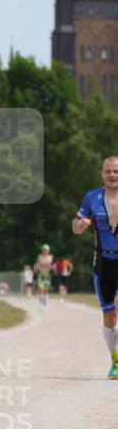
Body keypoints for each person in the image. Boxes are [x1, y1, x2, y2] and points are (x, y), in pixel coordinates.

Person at [73, 156, 118, 378]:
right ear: (102, 173)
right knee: (109, 315)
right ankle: (115, 361)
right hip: (102, 262)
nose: (112, 175)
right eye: (109, 171)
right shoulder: (92, 197)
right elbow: (75, 225)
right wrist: (80, 226)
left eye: (116, 171)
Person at [33, 244, 53, 310]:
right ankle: (41, 303)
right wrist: (36, 268)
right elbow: (37, 265)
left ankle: (45, 305)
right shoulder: (39, 257)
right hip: (41, 275)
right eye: (43, 249)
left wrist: (41, 265)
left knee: (46, 291)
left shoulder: (50, 257)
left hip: (47, 275)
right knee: (41, 290)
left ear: (48, 250)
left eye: (45, 249)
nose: (44, 251)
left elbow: (48, 265)